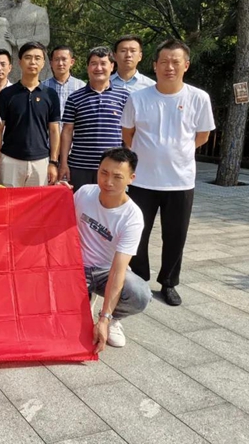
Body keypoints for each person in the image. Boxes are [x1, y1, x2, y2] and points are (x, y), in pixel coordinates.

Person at [121, 39, 215, 306]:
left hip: (180, 181)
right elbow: (128, 134)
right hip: (143, 180)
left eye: (175, 62)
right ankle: (139, 278)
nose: (169, 67)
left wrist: (178, 151)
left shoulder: (198, 98)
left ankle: (169, 282)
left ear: (186, 65)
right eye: (164, 62)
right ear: (155, 65)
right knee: (138, 232)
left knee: (176, 235)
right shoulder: (138, 98)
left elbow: (203, 136)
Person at [70, 147, 152, 352]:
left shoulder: (132, 217)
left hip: (106, 272)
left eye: (117, 177)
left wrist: (104, 318)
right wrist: (58, 193)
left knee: (140, 294)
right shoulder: (84, 193)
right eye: (104, 173)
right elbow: (59, 220)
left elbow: (118, 270)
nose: (108, 182)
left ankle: (114, 319)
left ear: (131, 178)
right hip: (75, 268)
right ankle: (84, 299)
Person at [59, 47, 129, 190]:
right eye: (94, 63)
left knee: (109, 203)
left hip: (113, 166)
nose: (98, 68)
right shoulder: (75, 98)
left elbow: (129, 132)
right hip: (80, 167)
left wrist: (128, 162)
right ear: (88, 67)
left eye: (103, 63)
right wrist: (63, 163)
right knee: (80, 203)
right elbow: (67, 132)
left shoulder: (124, 96)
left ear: (112, 66)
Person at [0, 42, 60, 187]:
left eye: (37, 58)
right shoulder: (7, 94)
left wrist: (53, 162)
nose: (33, 62)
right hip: (10, 160)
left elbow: (54, 130)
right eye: (28, 57)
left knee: (38, 201)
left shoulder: (50, 95)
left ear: (43, 63)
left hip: (40, 161)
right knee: (8, 200)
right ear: (20, 62)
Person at [41, 45, 86, 122]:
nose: (60, 63)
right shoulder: (42, 87)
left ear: (72, 62)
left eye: (64, 59)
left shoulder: (81, 86)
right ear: (51, 63)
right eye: (56, 59)